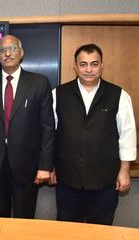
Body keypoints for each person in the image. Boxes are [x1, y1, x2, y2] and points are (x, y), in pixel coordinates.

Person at [50, 44, 136, 225]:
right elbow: (49, 135)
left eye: (94, 64)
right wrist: (49, 166)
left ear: (101, 66)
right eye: (83, 64)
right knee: (67, 231)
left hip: (105, 181)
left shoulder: (119, 95)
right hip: (68, 180)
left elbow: (127, 135)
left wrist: (124, 171)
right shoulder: (58, 94)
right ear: (75, 66)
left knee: (101, 231)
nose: (89, 69)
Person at [0, 35, 55, 218]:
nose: (7, 53)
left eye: (13, 49)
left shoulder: (39, 83)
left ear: (21, 53)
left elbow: (48, 128)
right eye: (2, 50)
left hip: (28, 167)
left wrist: (45, 166)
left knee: (24, 223)